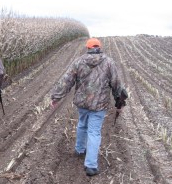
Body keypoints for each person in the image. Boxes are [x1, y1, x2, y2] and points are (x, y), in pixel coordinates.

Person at [51, 38, 128, 176]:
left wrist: (56, 97)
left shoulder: (79, 61)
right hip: (99, 105)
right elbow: (117, 84)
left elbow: (66, 80)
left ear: (87, 48)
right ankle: (91, 166)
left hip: (82, 103)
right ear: (99, 47)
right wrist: (119, 102)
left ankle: (80, 149)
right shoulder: (109, 62)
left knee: (82, 124)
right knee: (94, 132)